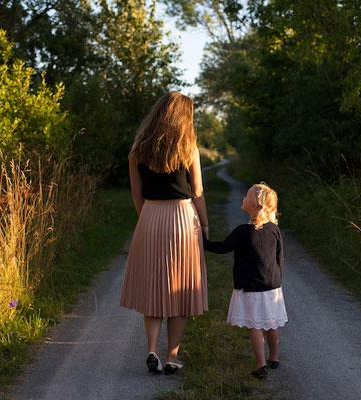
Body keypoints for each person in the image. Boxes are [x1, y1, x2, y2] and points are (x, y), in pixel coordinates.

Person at [119, 92, 209, 375]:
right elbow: (197, 192)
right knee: (179, 289)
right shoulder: (188, 147)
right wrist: (204, 225)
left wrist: (145, 217)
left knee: (154, 288)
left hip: (150, 216)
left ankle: (152, 350)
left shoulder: (138, 149)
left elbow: (136, 191)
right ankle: (172, 357)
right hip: (182, 218)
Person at [203, 183, 287, 378]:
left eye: (246, 196)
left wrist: (202, 241)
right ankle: (274, 358)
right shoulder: (274, 230)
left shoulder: (242, 232)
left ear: (254, 206)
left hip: (250, 287)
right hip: (272, 286)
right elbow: (279, 257)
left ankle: (261, 365)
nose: (242, 198)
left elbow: (222, 247)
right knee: (271, 323)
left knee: (255, 326)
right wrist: (277, 280)